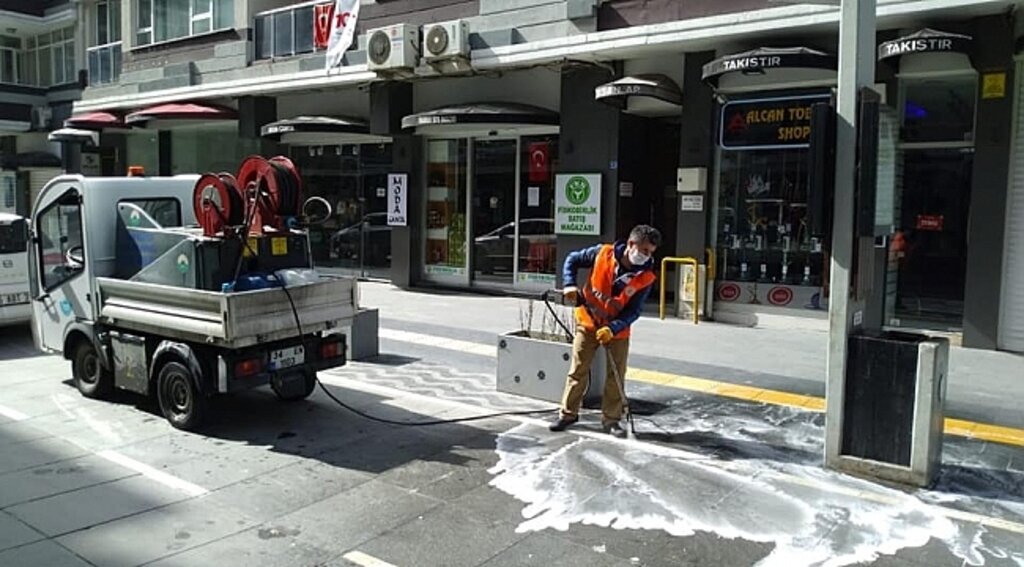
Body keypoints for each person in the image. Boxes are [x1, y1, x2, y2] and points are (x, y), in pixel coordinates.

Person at [550, 224, 661, 438]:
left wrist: (613, 327)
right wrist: (570, 285)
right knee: (578, 370)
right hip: (589, 321)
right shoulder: (602, 253)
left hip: (617, 330)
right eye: (644, 250)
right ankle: (568, 414)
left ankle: (611, 420)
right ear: (631, 244)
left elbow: (634, 311)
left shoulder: (645, 277)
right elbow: (572, 259)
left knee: (616, 375)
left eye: (650, 253)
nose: (646, 256)